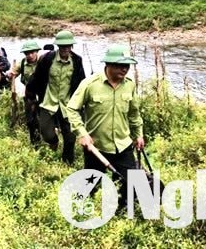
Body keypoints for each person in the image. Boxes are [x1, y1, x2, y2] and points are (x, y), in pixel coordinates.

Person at [66, 44, 144, 207]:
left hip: (123, 146)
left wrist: (138, 134)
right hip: (97, 147)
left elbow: (134, 113)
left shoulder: (129, 85)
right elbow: (72, 109)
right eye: (121, 66)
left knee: (130, 184)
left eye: (127, 66)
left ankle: (122, 213)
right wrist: (82, 133)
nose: (125, 70)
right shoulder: (90, 84)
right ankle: (76, 210)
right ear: (108, 65)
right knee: (90, 184)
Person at [26, 30, 85, 165]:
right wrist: (30, 94)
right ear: (58, 46)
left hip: (68, 104)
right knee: (47, 134)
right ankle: (54, 142)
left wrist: (82, 102)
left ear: (71, 46)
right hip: (48, 101)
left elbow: (81, 82)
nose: (65, 49)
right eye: (62, 46)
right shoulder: (47, 59)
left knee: (70, 137)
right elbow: (36, 77)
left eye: (68, 46)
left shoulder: (77, 60)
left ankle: (67, 163)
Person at [8, 40, 42, 145]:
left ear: (36, 52)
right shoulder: (22, 63)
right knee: (30, 121)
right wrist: (10, 75)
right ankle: (34, 143)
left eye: (32, 52)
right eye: (27, 53)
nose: (30, 55)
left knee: (43, 120)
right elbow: (13, 73)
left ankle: (45, 139)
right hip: (29, 95)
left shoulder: (43, 62)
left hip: (43, 95)